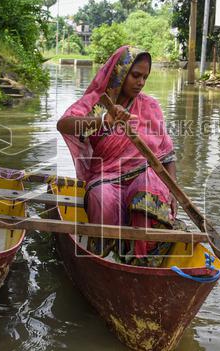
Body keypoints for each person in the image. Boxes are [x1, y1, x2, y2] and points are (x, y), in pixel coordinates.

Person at [56, 45, 177, 265]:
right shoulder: (97, 103)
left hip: (141, 174)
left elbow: (167, 155)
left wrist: (174, 193)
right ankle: (106, 255)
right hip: (106, 176)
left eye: (145, 77)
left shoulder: (150, 106)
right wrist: (103, 121)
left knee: (150, 183)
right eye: (135, 75)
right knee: (102, 196)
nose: (140, 82)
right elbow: (63, 124)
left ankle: (144, 257)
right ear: (120, 72)